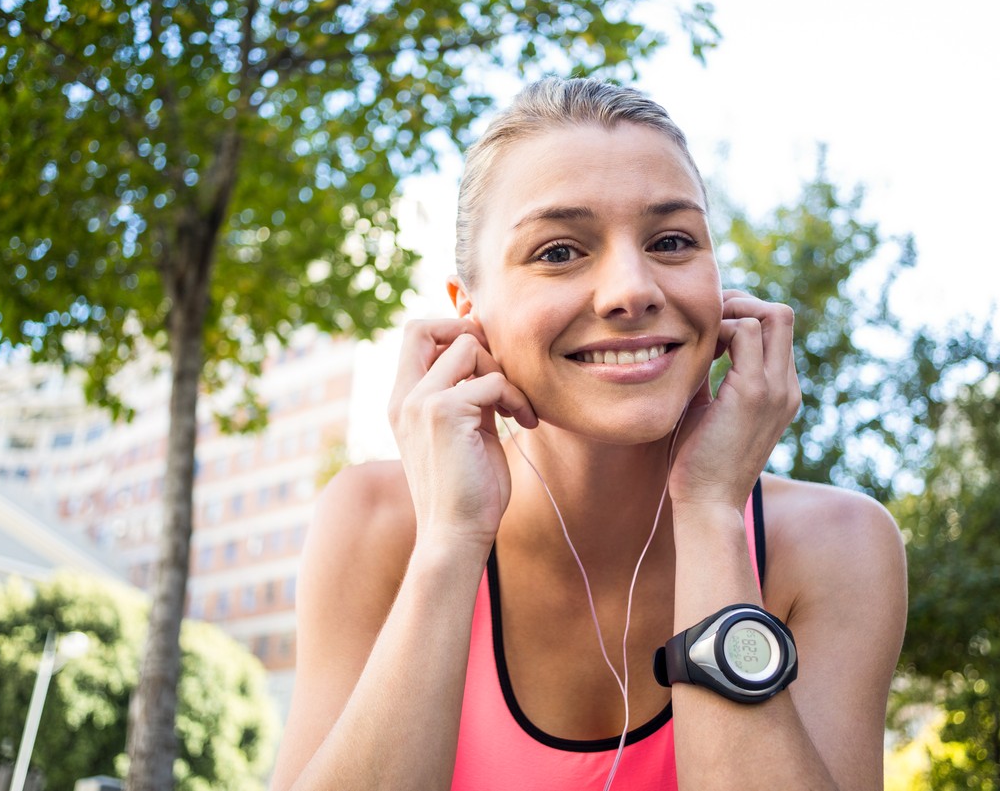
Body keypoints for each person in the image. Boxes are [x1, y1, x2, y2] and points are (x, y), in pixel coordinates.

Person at [271, 78, 907, 791]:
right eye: (559, 251)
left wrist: (711, 515)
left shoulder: (838, 544)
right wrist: (450, 543)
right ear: (468, 311)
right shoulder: (375, 521)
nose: (630, 289)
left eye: (671, 241)